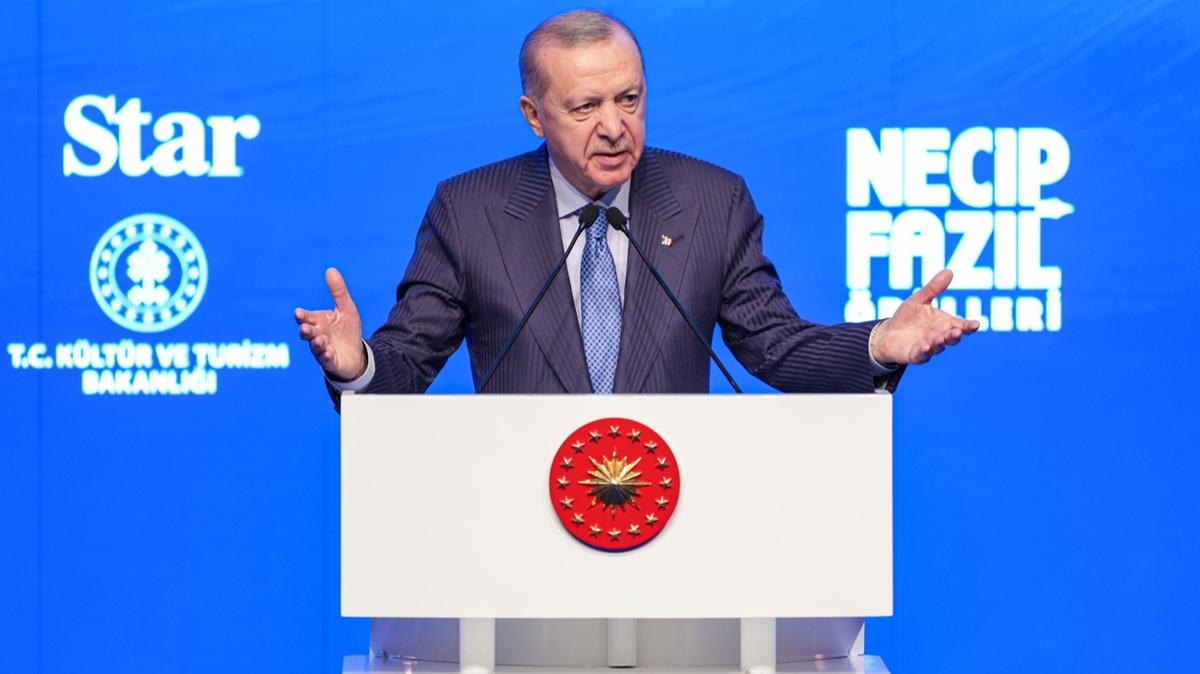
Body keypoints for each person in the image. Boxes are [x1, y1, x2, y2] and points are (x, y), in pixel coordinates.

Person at [294, 10, 977, 402]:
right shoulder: (468, 210)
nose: (615, 127)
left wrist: (879, 344)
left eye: (629, 99)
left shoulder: (711, 201)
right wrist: (357, 365)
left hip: (673, 521)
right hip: (513, 527)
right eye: (585, 107)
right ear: (534, 115)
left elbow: (775, 346)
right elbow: (409, 362)